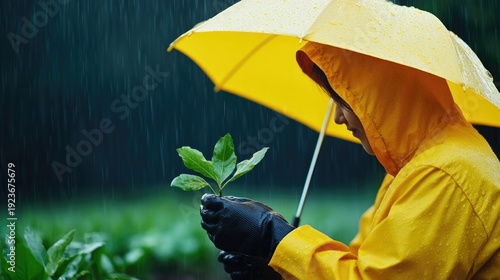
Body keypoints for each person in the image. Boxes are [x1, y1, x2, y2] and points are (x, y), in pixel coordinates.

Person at [200, 41, 500, 279]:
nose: (339, 117)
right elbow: (361, 265)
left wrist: (272, 236)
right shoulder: (415, 168)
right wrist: (280, 269)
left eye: (345, 99)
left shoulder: (444, 175)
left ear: (385, 93)